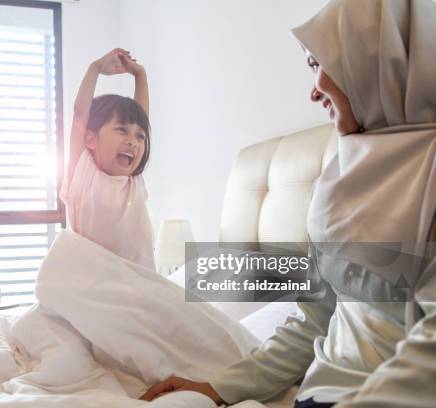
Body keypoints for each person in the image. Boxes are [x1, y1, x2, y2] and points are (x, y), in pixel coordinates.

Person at [140, 0, 436, 407]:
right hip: (319, 394)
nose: (314, 91)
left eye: (320, 64)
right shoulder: (337, 178)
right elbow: (315, 317)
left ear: (371, 63)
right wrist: (219, 388)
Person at [61, 48, 155, 271]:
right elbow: (79, 113)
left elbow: (142, 117)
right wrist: (95, 68)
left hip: (140, 289)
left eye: (139, 137)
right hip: (95, 287)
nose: (133, 141)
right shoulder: (84, 174)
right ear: (91, 140)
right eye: (121, 130)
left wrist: (140, 75)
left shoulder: (134, 181)